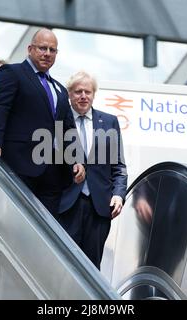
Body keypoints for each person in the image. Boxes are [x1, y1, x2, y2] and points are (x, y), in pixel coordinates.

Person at [0, 28, 85, 215]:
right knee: (15, 221)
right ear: (30, 49)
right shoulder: (12, 73)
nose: (47, 54)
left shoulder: (60, 89)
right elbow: (0, 108)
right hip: (20, 165)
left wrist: (77, 160)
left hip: (53, 172)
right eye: (42, 48)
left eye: (52, 50)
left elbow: (68, 129)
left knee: (47, 230)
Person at [58, 71, 128, 269]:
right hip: (65, 206)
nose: (83, 96)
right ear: (69, 94)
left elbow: (118, 166)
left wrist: (119, 195)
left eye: (87, 92)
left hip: (99, 208)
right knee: (63, 264)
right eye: (78, 91)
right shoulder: (58, 123)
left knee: (91, 267)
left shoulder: (109, 122)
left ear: (94, 94)